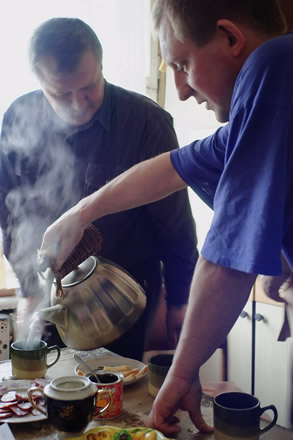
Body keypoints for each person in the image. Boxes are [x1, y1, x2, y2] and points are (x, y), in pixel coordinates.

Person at [38, 0, 293, 434]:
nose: (180, 89)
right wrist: (80, 214)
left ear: (231, 37)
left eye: (181, 64)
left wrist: (181, 372)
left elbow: (225, 258)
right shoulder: (271, 92)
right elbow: (172, 168)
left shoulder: (274, 63)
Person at [0, 17, 199, 361]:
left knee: (111, 397)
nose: (78, 104)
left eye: (89, 87)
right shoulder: (19, 117)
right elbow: (8, 210)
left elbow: (176, 226)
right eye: (62, 93)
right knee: (43, 391)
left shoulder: (146, 124)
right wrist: (28, 286)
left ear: (100, 66)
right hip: (51, 291)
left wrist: (181, 301)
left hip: (123, 296)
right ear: (39, 81)